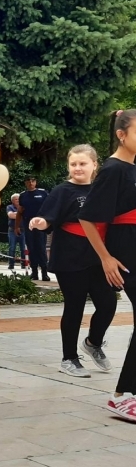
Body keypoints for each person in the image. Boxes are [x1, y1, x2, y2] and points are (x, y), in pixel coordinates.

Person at [29, 144, 116, 378]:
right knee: (74, 307)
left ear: (94, 165)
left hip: (98, 258)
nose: (78, 168)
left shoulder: (102, 190)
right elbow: (48, 218)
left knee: (108, 304)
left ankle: (93, 342)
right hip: (69, 258)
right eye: (73, 164)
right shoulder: (62, 191)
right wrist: (40, 222)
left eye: (83, 163)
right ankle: (69, 359)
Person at [79, 110, 136, 421]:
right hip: (125, 252)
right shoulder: (113, 169)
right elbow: (88, 217)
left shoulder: (132, 168)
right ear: (121, 134)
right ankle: (122, 396)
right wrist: (105, 257)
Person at [18, 175, 50, 281]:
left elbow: (49, 207)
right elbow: (20, 211)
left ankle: (44, 272)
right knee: (31, 249)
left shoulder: (42, 193)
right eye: (28, 181)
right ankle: (34, 272)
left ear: (35, 182)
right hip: (28, 225)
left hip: (40, 225)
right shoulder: (23, 195)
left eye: (33, 181)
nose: (31, 183)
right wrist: (17, 226)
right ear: (25, 183)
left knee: (41, 248)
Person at [7, 194, 26, 270]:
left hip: (23, 230)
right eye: (16, 199)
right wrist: (20, 214)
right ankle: (11, 264)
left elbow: (25, 216)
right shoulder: (9, 207)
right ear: (12, 201)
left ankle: (24, 264)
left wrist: (16, 214)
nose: (18, 200)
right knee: (12, 248)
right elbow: (11, 216)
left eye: (19, 199)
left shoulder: (24, 206)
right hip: (12, 230)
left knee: (23, 248)